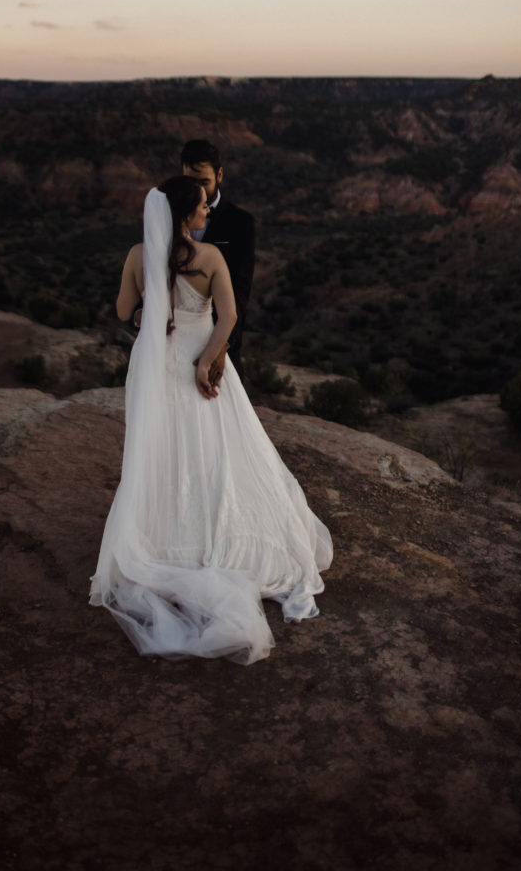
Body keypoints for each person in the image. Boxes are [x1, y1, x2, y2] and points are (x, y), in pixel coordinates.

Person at [90, 177, 333, 665]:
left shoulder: (140, 255)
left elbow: (122, 310)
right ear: (185, 214)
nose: (206, 213)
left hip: (157, 366)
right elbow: (229, 317)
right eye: (201, 207)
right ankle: (212, 538)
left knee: (159, 449)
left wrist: (150, 309)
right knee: (218, 452)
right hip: (197, 366)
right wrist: (206, 362)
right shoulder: (210, 259)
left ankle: (163, 537)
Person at [180, 139, 255, 371]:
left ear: (219, 175)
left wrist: (223, 346)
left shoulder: (241, 223)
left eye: (204, 182)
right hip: (176, 341)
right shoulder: (166, 217)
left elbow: (240, 291)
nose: (197, 191)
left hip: (220, 336)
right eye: (190, 182)